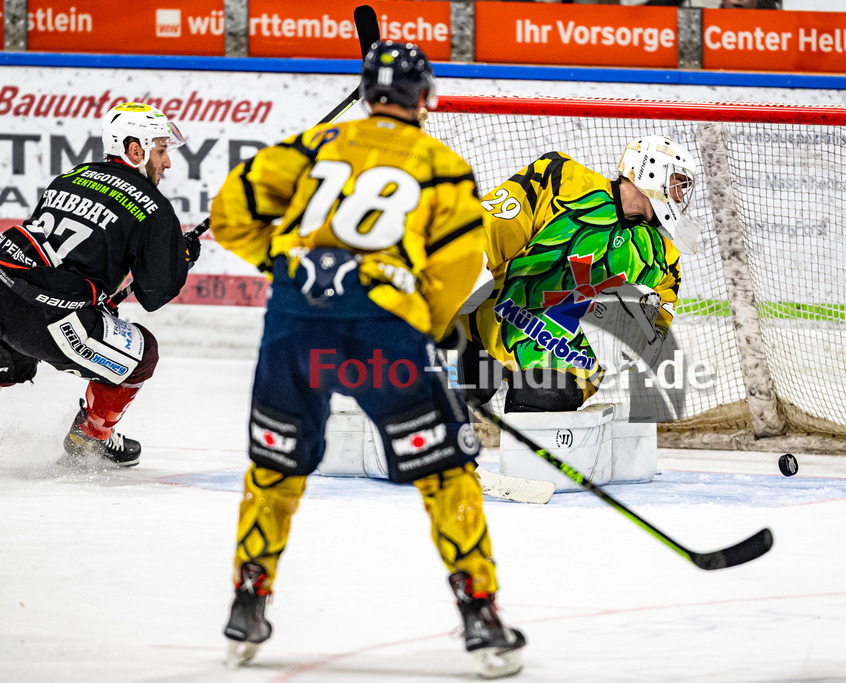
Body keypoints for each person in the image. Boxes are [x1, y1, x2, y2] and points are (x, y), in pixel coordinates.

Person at [209, 40, 526, 678]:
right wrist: (420, 325)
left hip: (295, 330)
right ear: (423, 97)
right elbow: (460, 262)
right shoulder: (442, 165)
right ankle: (480, 614)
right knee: (446, 472)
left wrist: (292, 266)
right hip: (382, 340)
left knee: (275, 467)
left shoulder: (313, 146)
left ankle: (248, 601)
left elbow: (229, 214)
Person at [0, 102, 197, 467]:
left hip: (4, 299)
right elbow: (155, 293)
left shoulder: (71, 177)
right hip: (50, 322)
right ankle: (89, 438)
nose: (167, 162)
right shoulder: (153, 206)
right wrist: (180, 257)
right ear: (135, 150)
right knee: (143, 356)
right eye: (161, 151)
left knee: (18, 352)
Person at [459, 135, 695, 415]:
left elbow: (653, 338)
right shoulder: (562, 178)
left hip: (565, 360)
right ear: (650, 169)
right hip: (492, 323)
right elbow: (487, 234)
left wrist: (630, 341)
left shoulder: (665, 257)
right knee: (434, 398)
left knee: (535, 418)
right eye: (678, 183)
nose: (680, 198)